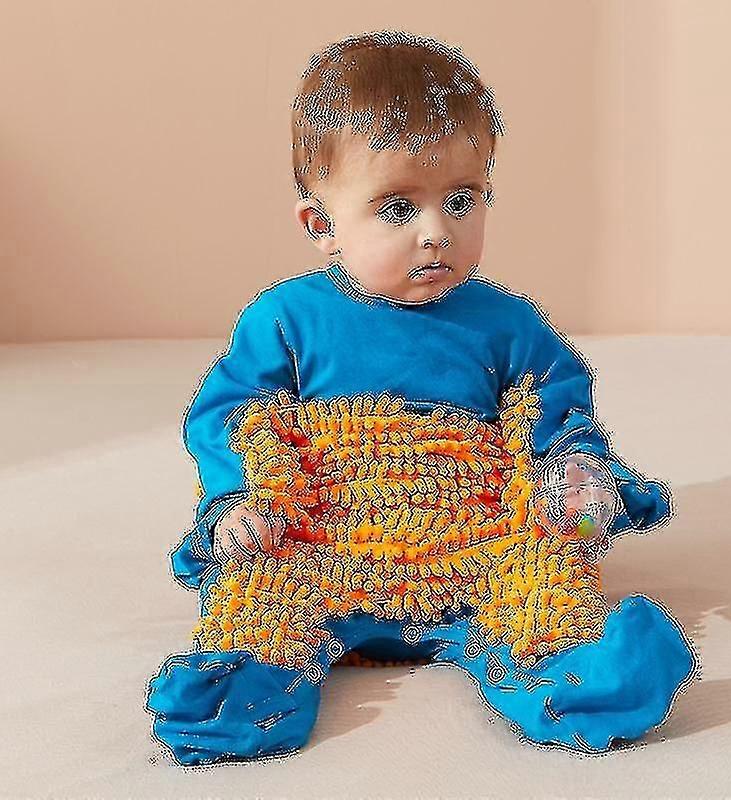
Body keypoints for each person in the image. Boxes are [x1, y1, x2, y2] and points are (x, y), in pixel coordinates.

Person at [146, 30, 699, 766]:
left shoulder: (507, 325)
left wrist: (574, 473)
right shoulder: (287, 320)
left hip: (472, 547)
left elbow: (556, 410)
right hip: (322, 542)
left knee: (542, 569)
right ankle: (246, 682)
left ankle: (575, 672)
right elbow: (232, 417)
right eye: (398, 208)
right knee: (260, 579)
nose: (437, 233)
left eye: (462, 200)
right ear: (322, 225)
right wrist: (239, 500)